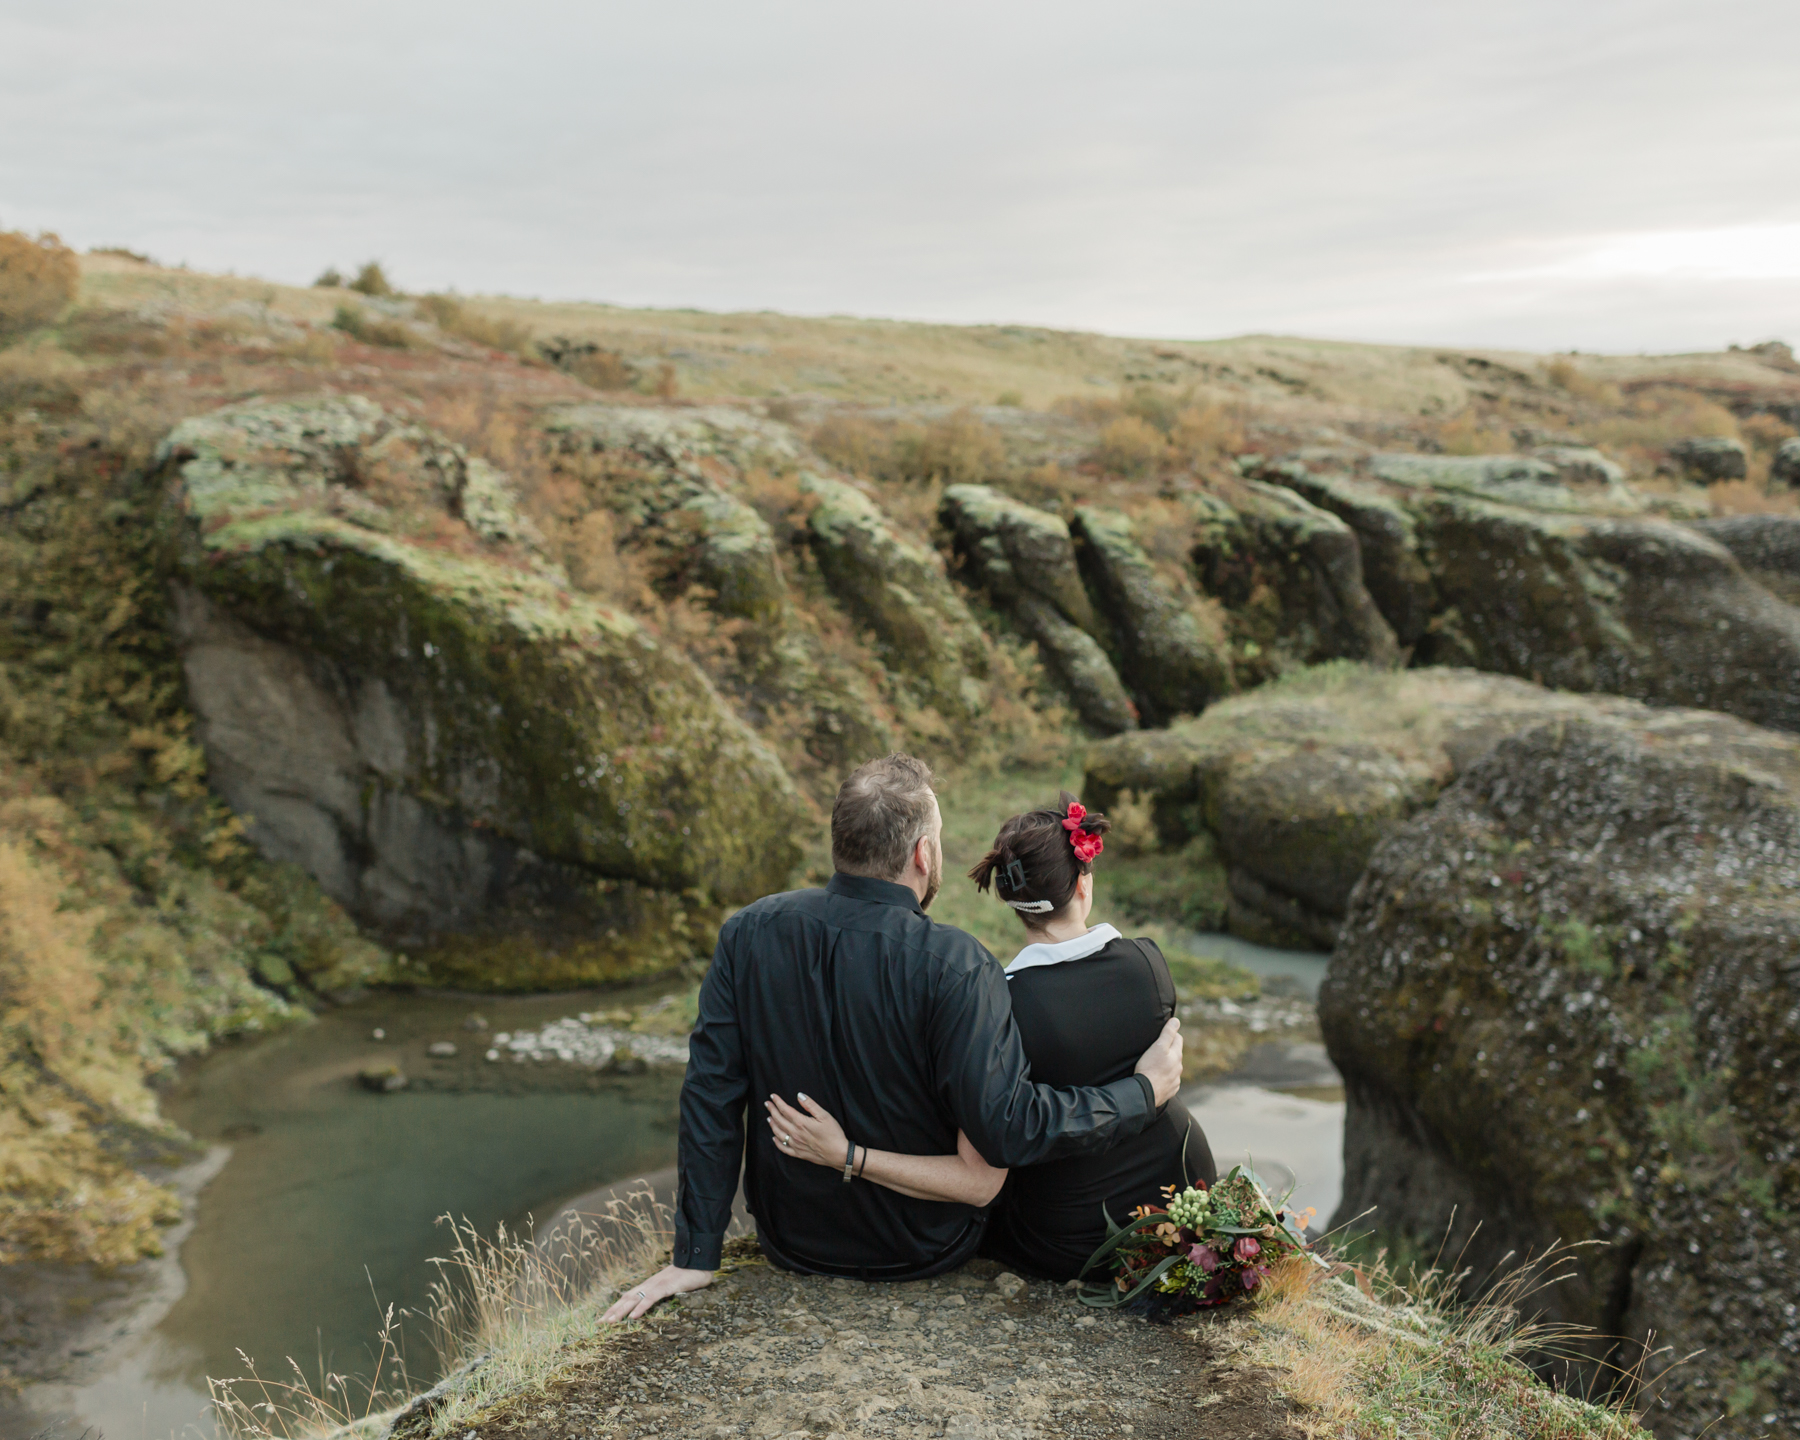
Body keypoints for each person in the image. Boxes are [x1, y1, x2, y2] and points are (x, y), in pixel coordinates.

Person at [602, 756, 1183, 1322]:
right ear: (922, 854)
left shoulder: (748, 931)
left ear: (841, 844)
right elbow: (1007, 1129)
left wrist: (698, 1252)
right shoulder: (958, 965)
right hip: (926, 1247)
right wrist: (1142, 1092)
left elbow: (711, 1095)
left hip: (790, 1241)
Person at [769, 792, 1215, 1283]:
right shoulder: (1148, 964)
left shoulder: (1000, 1003)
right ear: (1083, 884)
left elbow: (996, 1147)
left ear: (1009, 898)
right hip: (1184, 1196)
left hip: (1069, 1237)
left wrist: (849, 1155)